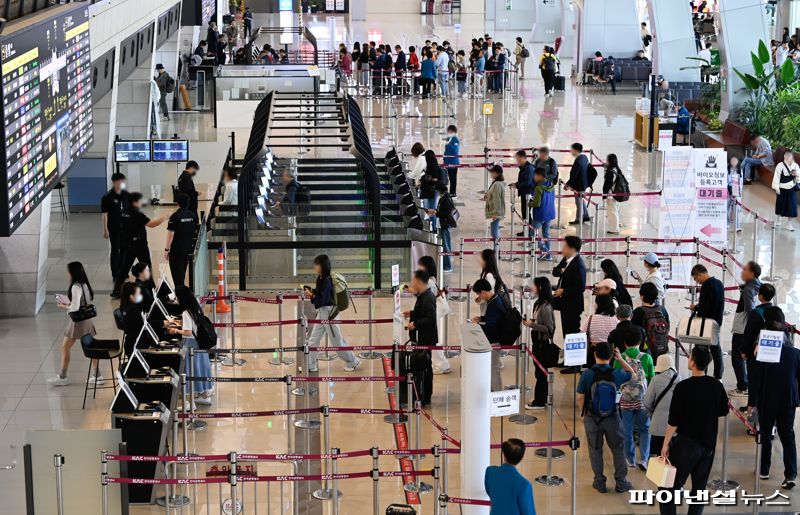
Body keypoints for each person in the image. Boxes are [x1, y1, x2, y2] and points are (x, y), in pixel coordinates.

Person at [658, 347, 728, 515]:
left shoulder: (683, 387)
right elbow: (723, 411)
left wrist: (665, 444)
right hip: (708, 445)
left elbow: (673, 421)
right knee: (699, 488)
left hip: (687, 444)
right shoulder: (716, 385)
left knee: (667, 486)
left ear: (693, 362)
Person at [747, 305, 799, 489]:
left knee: (766, 434)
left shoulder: (764, 354)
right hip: (788, 401)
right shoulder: (795, 354)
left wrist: (751, 403)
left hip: (767, 400)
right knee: (788, 436)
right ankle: (791, 474)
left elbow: (756, 381)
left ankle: (764, 470)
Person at [577, 342, 634, 493]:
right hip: (612, 417)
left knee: (595, 450)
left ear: (595, 354)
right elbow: (633, 374)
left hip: (592, 417)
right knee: (618, 449)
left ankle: (599, 482)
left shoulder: (587, 374)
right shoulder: (616, 373)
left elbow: (580, 397)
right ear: (611, 356)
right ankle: (621, 482)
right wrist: (621, 359)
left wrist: (583, 414)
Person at [304, 255, 361, 373]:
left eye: (317, 264)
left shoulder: (326, 280)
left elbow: (324, 300)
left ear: (322, 266)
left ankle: (352, 361)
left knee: (336, 341)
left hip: (329, 313)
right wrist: (313, 293)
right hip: (323, 311)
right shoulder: (321, 278)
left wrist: (312, 295)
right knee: (314, 338)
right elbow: (322, 295)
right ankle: (310, 364)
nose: (314, 266)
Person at [48, 262, 99, 386]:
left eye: (68, 271)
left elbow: (75, 307)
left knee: (65, 347)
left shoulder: (75, 286)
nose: (67, 274)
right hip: (86, 320)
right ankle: (98, 375)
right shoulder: (85, 284)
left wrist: (63, 305)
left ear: (72, 273)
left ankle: (63, 376)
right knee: (91, 347)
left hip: (78, 322)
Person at [615, 326, 655, 470]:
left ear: (625, 343)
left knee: (627, 430)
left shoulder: (620, 358)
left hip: (626, 401)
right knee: (645, 429)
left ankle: (629, 459)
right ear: (641, 341)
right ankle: (643, 459)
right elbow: (652, 379)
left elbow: (617, 379)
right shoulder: (647, 358)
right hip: (643, 400)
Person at [113, 193, 168, 295]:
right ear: (134, 202)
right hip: (140, 245)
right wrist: (165, 217)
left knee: (125, 267)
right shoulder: (137, 215)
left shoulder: (123, 212)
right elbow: (152, 224)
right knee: (147, 266)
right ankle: (152, 288)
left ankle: (116, 290)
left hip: (128, 244)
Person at [169, 286, 213, 406]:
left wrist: (175, 330)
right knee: (201, 368)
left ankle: (190, 400)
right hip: (199, 343)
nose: (176, 299)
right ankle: (205, 394)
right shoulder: (195, 307)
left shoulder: (185, 312)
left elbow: (188, 332)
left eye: (177, 297)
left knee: (190, 371)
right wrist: (179, 323)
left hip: (190, 344)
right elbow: (193, 323)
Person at [402, 270, 437, 405]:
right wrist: (412, 313)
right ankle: (423, 394)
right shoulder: (424, 295)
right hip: (423, 337)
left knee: (425, 367)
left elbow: (431, 318)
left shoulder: (427, 297)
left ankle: (425, 396)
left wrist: (415, 324)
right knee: (424, 366)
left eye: (414, 280)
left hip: (426, 339)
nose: (412, 283)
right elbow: (423, 312)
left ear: (419, 282)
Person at [553, 236, 587, 373]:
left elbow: (580, 287)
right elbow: (555, 271)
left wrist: (564, 291)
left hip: (572, 305)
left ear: (572, 248)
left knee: (572, 333)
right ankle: (568, 360)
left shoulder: (578, 265)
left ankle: (575, 364)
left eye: (564, 246)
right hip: (565, 304)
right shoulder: (567, 261)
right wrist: (561, 271)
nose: (562, 249)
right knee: (567, 333)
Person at [729, 261, 762, 396]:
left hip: (742, 329)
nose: (743, 272)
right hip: (747, 329)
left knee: (737, 357)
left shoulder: (749, 289)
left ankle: (742, 386)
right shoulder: (757, 286)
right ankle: (746, 384)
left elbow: (750, 312)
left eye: (746, 270)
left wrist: (749, 330)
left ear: (752, 273)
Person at [524, 277, 556, 410]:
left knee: (541, 373)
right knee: (539, 372)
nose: (533, 288)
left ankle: (540, 401)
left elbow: (549, 329)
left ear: (541, 288)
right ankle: (540, 398)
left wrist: (532, 325)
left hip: (542, 344)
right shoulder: (539, 303)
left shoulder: (546, 307)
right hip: (537, 342)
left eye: (535, 286)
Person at [471, 278, 508, 392]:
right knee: (492, 368)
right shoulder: (497, 297)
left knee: (493, 369)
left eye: (479, 294)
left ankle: (496, 393)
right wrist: (482, 318)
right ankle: (492, 390)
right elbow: (496, 318)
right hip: (496, 337)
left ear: (483, 291)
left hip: (494, 341)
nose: (479, 297)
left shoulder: (494, 304)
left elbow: (491, 327)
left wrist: (477, 327)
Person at [643, 354, 681, 462]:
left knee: (659, 459)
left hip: (658, 426)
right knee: (673, 459)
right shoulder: (680, 379)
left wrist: (653, 412)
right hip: (676, 427)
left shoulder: (655, 380)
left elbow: (647, 401)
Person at [689, 264, 724, 380]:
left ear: (700, 274)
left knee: (701, 351)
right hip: (716, 322)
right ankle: (718, 376)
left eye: (695, 278)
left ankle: (701, 375)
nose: (697, 282)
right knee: (716, 350)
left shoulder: (706, 286)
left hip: (705, 324)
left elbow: (704, 308)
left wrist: (696, 309)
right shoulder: (719, 283)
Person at [417, 256, 451, 374]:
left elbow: (426, 298)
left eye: (420, 265)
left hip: (434, 310)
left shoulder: (430, 282)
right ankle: (441, 363)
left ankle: (442, 364)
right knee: (432, 337)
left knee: (431, 337)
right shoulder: (430, 279)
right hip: (434, 310)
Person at [484, 438, 536, 515]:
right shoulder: (524, 485)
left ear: (504, 455)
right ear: (521, 458)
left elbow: (490, 492)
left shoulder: (490, 472)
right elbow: (528, 512)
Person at [101, 172, 129, 291]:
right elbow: (104, 214)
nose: (121, 183)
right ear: (114, 182)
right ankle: (115, 273)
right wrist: (105, 229)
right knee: (115, 249)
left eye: (123, 181)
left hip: (126, 227)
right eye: (119, 181)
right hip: (114, 227)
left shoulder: (126, 194)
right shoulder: (107, 197)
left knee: (124, 249)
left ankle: (123, 271)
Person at [164, 194, 198, 289]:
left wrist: (166, 249)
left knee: (177, 277)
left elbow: (171, 234)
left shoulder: (175, 216)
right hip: (188, 249)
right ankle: (182, 295)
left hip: (177, 251)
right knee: (181, 274)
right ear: (188, 203)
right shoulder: (193, 216)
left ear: (178, 203)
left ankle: (181, 298)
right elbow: (195, 231)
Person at [632, 283, 671, 362]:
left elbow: (634, 332)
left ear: (642, 296)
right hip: (663, 349)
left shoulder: (638, 311)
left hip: (645, 352)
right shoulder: (662, 309)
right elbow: (668, 326)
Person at [581, 295, 619, 367]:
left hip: (594, 352)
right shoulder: (616, 320)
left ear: (598, 305)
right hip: (610, 351)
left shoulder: (590, 318)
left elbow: (581, 334)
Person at [427, 182, 457, 273]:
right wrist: (435, 211)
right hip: (442, 224)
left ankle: (448, 266)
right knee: (444, 245)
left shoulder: (446, 199)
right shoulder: (444, 197)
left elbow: (446, 213)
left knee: (446, 246)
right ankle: (446, 262)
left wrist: (436, 213)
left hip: (445, 225)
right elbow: (442, 210)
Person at [529, 167, 556, 261]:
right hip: (549, 213)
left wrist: (529, 203)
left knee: (533, 233)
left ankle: (544, 250)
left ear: (540, 176)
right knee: (546, 234)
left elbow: (537, 203)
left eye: (535, 175)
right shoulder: (551, 185)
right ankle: (549, 255)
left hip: (540, 214)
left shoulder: (538, 188)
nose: (534, 177)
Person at [773, 150, 799, 231]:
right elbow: (776, 177)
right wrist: (776, 188)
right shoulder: (780, 165)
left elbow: (798, 178)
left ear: (792, 157)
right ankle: (778, 219)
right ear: (784, 156)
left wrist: (796, 175)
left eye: (789, 156)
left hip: (791, 189)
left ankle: (789, 224)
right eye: (786, 155)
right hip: (781, 189)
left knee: (791, 207)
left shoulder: (795, 166)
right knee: (780, 205)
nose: (787, 157)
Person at [510, 151, 535, 231]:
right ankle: (526, 231)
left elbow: (527, 182)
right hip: (525, 193)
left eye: (518, 159)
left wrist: (517, 185)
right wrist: (516, 184)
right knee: (525, 213)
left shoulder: (529, 168)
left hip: (529, 194)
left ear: (522, 158)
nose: (517, 161)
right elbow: (523, 180)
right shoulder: (524, 167)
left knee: (527, 213)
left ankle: (530, 232)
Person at [119, 282, 145, 357]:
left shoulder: (129, 307)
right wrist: (162, 323)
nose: (140, 296)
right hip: (135, 347)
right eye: (138, 294)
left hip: (131, 344)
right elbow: (143, 325)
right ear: (131, 296)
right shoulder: (132, 311)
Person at [566, 143, 590, 224]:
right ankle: (585, 216)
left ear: (576, 150)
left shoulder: (578, 161)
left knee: (578, 202)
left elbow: (574, 174)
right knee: (581, 200)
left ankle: (579, 219)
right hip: (584, 183)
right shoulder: (584, 157)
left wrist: (568, 185)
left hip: (579, 185)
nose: (571, 151)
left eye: (572, 149)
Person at [420, 150, 444, 231]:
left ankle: (433, 229)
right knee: (431, 209)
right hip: (432, 191)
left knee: (431, 210)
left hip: (431, 191)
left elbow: (434, 179)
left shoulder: (432, 166)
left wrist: (424, 179)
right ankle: (432, 228)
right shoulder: (433, 164)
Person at [601, 154, 624, 234]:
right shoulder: (617, 169)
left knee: (612, 213)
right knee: (615, 211)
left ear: (609, 161)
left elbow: (606, 186)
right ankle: (616, 226)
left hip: (611, 196)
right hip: (617, 194)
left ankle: (614, 229)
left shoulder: (610, 173)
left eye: (607, 160)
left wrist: (604, 196)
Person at [483, 165, 506, 242]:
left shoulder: (497, 184)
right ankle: (496, 249)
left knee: (494, 232)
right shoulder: (496, 182)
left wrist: (496, 213)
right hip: (495, 211)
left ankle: (497, 250)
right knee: (494, 230)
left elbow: (497, 199)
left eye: (492, 172)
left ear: (497, 173)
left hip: (496, 211)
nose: (491, 174)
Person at [443, 125, 461, 197]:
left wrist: (448, 145)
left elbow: (455, 150)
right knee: (448, 178)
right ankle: (448, 192)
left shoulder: (455, 139)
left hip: (453, 163)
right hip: (448, 162)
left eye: (450, 131)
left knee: (453, 178)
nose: (448, 132)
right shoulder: (449, 138)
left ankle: (453, 193)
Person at [727, 155, 743, 231]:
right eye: (732, 160)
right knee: (727, 207)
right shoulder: (727, 169)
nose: (734, 162)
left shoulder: (740, 170)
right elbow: (726, 181)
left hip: (737, 190)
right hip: (728, 190)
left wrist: (738, 194)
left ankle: (737, 226)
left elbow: (741, 183)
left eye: (735, 160)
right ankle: (727, 223)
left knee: (737, 208)